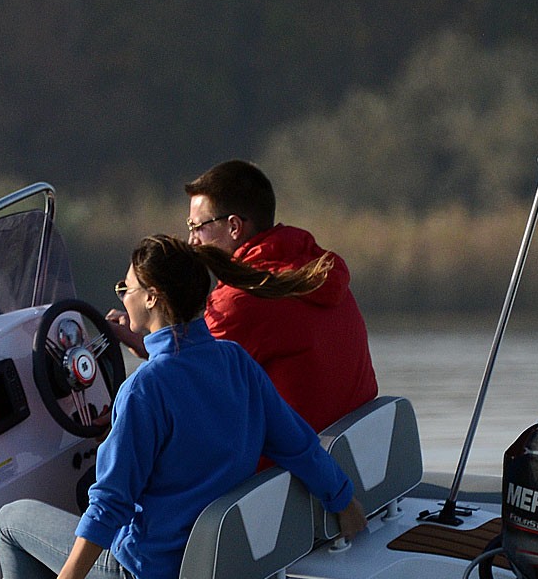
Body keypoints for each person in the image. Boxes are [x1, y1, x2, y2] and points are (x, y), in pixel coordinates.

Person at [0, 235, 369, 579]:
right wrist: (343, 500)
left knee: (12, 521)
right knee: (36, 554)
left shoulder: (145, 389)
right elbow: (298, 445)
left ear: (151, 298)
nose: (122, 297)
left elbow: (110, 505)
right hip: (219, 566)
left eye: (126, 288)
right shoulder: (236, 362)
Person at [107, 159, 378, 432]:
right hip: (356, 448)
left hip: (287, 455)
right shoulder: (318, 270)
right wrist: (146, 343)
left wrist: (119, 423)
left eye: (197, 226)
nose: (192, 241)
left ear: (234, 227)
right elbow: (199, 365)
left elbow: (187, 385)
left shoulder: (240, 301)